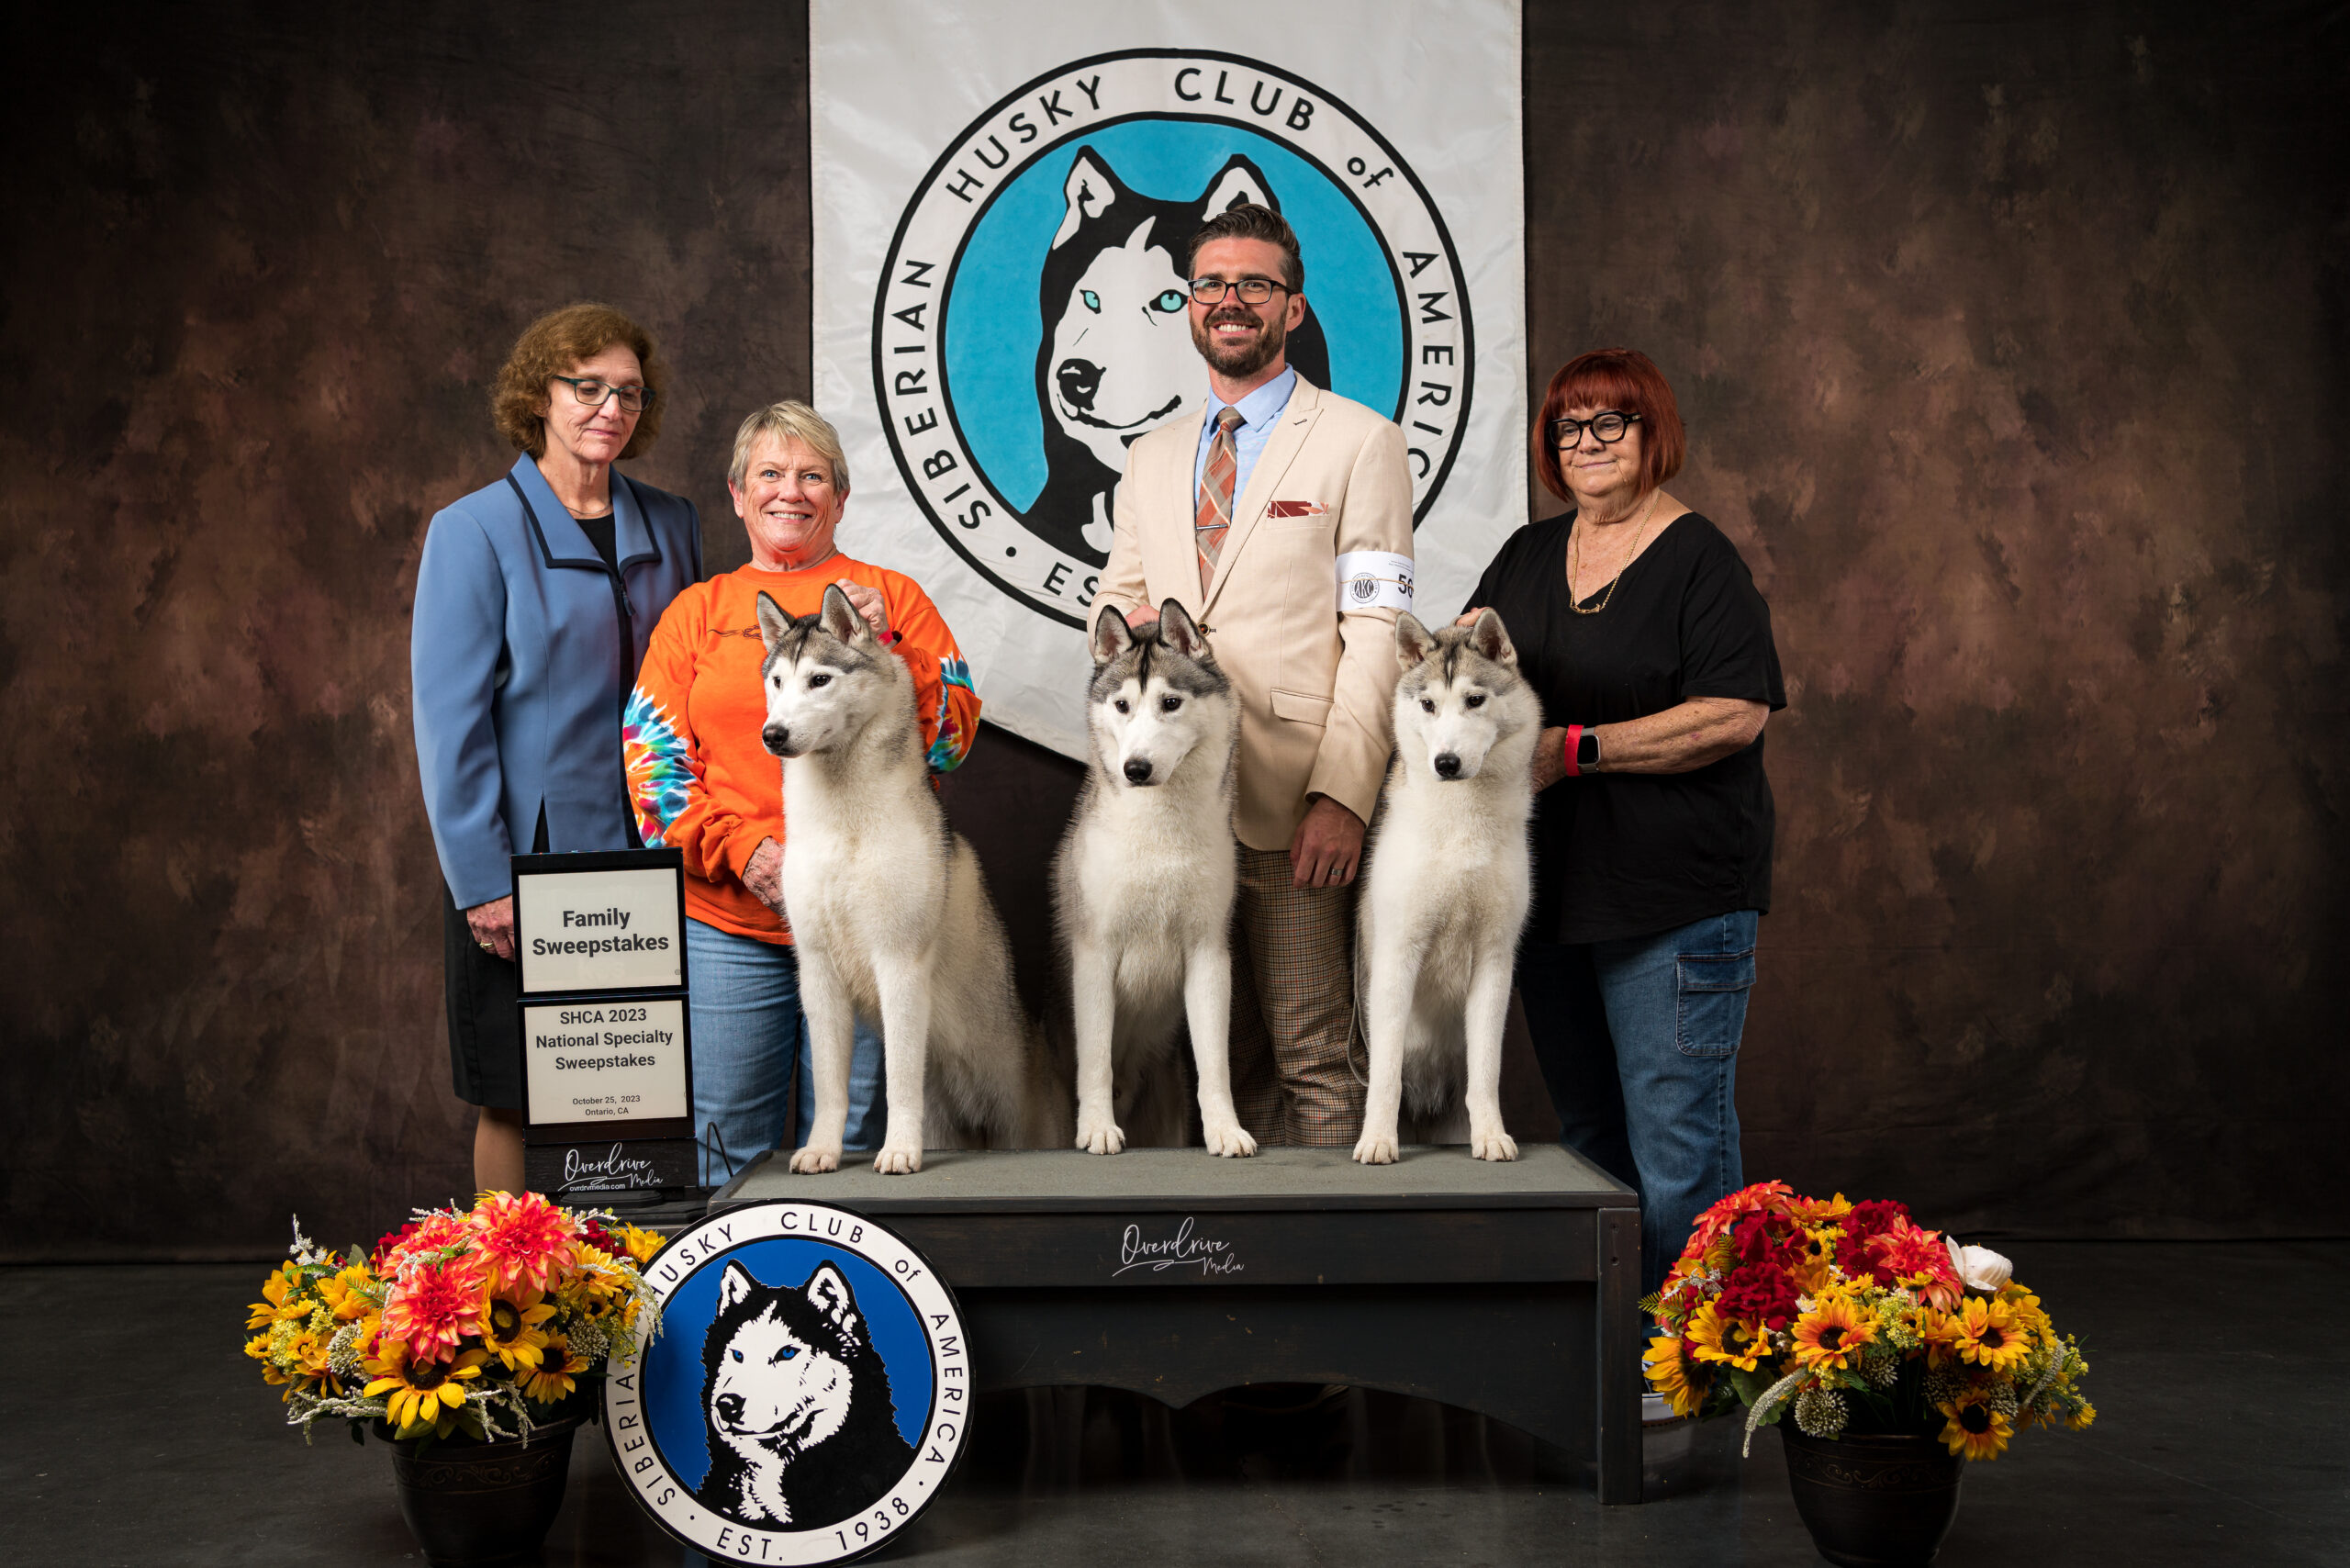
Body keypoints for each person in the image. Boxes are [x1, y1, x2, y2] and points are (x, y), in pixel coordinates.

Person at [1458, 348, 1785, 1298]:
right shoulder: (1525, 556)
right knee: (1591, 1142)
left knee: (1677, 1145)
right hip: (1550, 901)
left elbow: (1734, 713)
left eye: (1611, 422)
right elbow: (1456, 675)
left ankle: (1693, 1355)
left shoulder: (1699, 560)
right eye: (1568, 427)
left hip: (1674, 903)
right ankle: (1620, 1349)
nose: (1587, 443)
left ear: (1654, 434)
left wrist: (1572, 750)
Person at [1091, 202, 1414, 1148]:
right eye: (1211, 284)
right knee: (1204, 1063)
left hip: (1294, 801)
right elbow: (1118, 605)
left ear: (1293, 308)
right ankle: (1221, 1238)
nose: (1230, 300)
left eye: (1254, 285)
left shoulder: (1361, 440)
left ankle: (1334, 1240)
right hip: (1172, 813)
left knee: (1313, 1051)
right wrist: (1136, 635)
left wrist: (1343, 795)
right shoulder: (1148, 455)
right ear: (1191, 304)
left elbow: (1377, 628)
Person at [626, 401, 981, 1181]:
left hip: (874, 912)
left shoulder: (892, 599)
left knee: (861, 1141)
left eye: (813, 476)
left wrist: (889, 647)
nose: (791, 491)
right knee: (729, 1147)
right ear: (737, 494)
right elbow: (652, 773)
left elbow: (952, 741)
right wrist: (748, 855)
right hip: (730, 919)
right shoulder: (698, 613)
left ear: (840, 498)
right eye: (770, 474)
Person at [411, 303, 703, 1194]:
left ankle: (629, 1270)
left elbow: (698, 684)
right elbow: (450, 722)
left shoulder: (674, 525)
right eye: (588, 387)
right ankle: (509, 1275)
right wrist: (482, 882)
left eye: (629, 392)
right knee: (516, 1094)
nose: (610, 408)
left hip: (651, 857)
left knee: (636, 1084)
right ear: (541, 394)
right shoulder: (473, 530)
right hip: (524, 864)